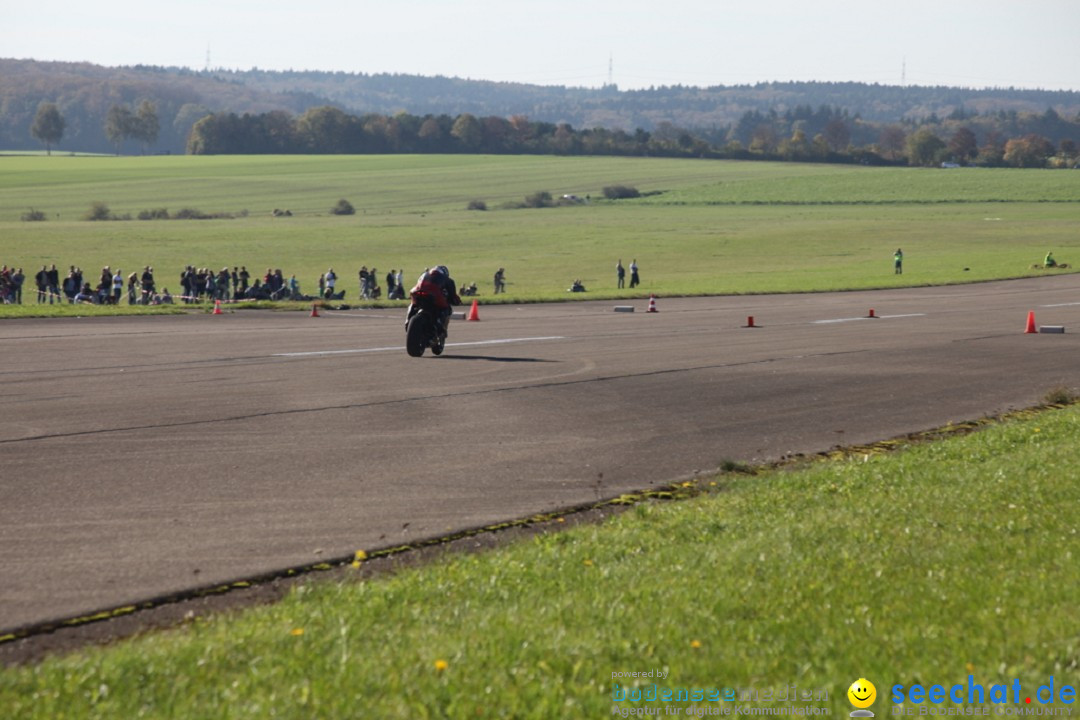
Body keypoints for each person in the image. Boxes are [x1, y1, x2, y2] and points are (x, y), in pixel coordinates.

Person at [406, 265, 462, 337]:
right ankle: (441, 329)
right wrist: (457, 301)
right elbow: (453, 295)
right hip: (434, 294)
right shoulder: (447, 279)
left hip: (416, 291)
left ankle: (408, 320)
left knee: (413, 304)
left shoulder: (424, 274)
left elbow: (418, 284)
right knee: (447, 309)